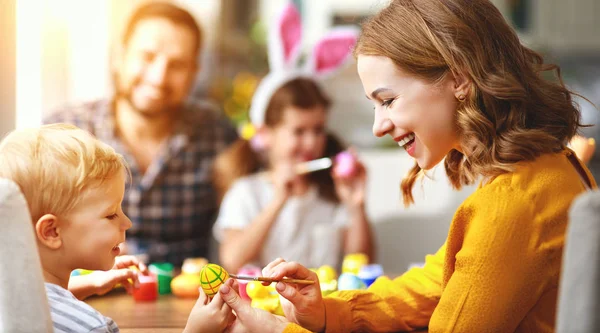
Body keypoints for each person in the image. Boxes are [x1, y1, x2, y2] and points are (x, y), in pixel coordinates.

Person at [212, 0, 597, 332]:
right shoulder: (539, 171)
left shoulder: (512, 205)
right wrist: (327, 311)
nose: (379, 125)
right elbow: (439, 281)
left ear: (459, 79)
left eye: (389, 100)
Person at [44, 2, 237, 266]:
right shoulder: (65, 130)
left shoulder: (218, 135)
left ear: (194, 73)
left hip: (186, 299)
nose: (159, 77)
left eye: (177, 65)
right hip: (86, 294)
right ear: (119, 57)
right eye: (147, 57)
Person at [0, 124, 234, 333]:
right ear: (51, 232)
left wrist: (87, 285)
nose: (127, 223)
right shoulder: (92, 327)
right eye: (111, 214)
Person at [211, 2, 374, 273]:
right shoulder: (246, 194)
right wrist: (277, 202)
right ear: (265, 133)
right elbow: (232, 261)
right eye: (298, 131)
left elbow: (362, 263)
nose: (311, 142)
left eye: (318, 130)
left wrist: (356, 206)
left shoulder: (332, 192)